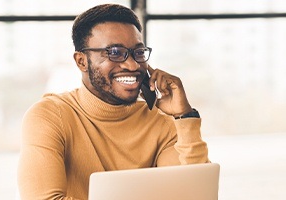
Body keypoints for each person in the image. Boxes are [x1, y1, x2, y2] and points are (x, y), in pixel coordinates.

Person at [17, 3, 209, 200]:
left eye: (139, 52)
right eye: (115, 52)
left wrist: (184, 116)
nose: (132, 64)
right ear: (81, 61)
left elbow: (193, 195)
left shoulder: (160, 120)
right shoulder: (50, 116)